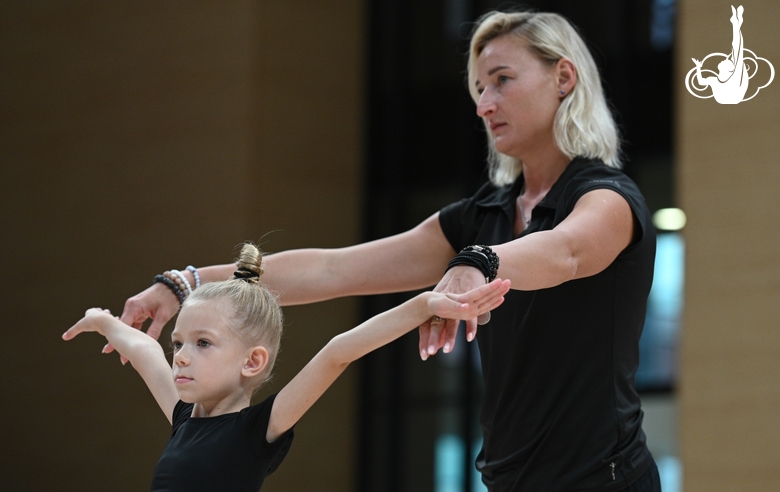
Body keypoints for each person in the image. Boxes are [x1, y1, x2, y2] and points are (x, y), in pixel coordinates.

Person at [118, 9, 661, 492]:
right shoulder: (482, 214)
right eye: (478, 89)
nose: (484, 104)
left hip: (605, 479)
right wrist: (186, 281)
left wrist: (479, 262)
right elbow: (333, 269)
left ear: (563, 77)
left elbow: (565, 252)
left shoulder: (608, 197)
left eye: (501, 81)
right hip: (509, 477)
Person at [64, 243, 510, 491]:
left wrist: (422, 305)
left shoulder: (254, 430)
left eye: (202, 344)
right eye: (178, 343)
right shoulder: (184, 418)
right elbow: (145, 352)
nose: (178, 355)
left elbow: (339, 351)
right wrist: (104, 321)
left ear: (252, 361)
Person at [692, 5, 748, 104]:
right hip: (728, 98)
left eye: (727, 61)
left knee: (737, 50)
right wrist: (698, 67)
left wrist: (736, 26)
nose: (725, 59)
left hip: (733, 96)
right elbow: (701, 82)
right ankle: (736, 23)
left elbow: (737, 49)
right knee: (737, 51)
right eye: (728, 60)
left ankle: (736, 23)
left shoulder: (734, 77)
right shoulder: (714, 80)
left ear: (729, 69)